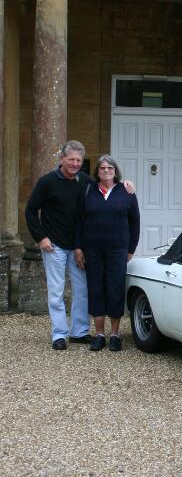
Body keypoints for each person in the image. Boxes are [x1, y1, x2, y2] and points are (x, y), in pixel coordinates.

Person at [25, 141, 135, 351]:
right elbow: (30, 210)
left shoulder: (85, 181)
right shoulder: (47, 182)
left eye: (78, 160)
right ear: (62, 159)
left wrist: (128, 185)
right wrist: (41, 238)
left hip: (79, 247)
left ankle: (79, 332)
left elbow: (109, 184)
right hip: (53, 245)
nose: (75, 163)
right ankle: (59, 334)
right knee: (56, 291)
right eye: (71, 159)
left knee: (83, 289)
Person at [74, 155, 140, 352]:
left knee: (115, 289)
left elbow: (135, 222)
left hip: (117, 250)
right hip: (92, 249)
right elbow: (79, 221)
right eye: (102, 168)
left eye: (110, 168)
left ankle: (115, 335)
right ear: (97, 171)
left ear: (115, 171)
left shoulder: (126, 192)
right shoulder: (88, 191)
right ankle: (100, 335)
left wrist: (131, 249)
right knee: (95, 289)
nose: (106, 171)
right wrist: (78, 247)